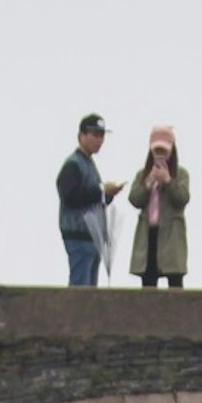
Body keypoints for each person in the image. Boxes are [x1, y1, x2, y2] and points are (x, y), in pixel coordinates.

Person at [56, 115, 119, 287]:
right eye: (95, 135)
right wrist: (100, 190)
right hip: (78, 236)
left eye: (102, 135)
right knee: (80, 290)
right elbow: (70, 197)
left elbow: (91, 198)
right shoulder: (73, 165)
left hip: (92, 238)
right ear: (81, 136)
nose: (99, 140)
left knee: (90, 291)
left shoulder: (88, 164)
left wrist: (107, 195)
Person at [127, 128, 189, 289]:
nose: (160, 155)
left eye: (164, 151)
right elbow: (134, 199)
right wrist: (148, 184)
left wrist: (168, 181)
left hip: (171, 235)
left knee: (175, 282)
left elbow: (182, 198)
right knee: (148, 281)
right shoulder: (143, 174)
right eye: (157, 151)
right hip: (148, 234)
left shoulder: (181, 174)